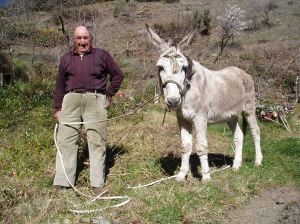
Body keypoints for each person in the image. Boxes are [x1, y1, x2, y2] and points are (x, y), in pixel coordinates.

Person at [53, 26, 124, 193]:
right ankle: (63, 181)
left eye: (85, 38)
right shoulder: (66, 59)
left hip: (95, 99)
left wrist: (108, 95)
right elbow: (59, 86)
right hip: (70, 100)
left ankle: (97, 183)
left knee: (97, 141)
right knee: (66, 141)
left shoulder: (102, 55)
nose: (82, 41)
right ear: (74, 39)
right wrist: (58, 108)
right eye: (79, 38)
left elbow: (118, 75)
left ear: (90, 39)